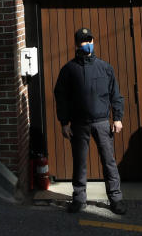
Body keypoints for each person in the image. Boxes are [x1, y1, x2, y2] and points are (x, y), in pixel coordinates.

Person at [54, 27, 127, 215]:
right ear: (77, 44)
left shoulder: (105, 67)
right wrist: (64, 122)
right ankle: (79, 199)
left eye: (89, 40)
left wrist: (117, 118)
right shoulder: (69, 70)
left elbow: (115, 95)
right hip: (79, 124)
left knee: (109, 162)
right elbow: (60, 96)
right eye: (83, 41)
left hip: (102, 122)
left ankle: (116, 199)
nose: (87, 44)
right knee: (79, 162)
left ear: (93, 41)